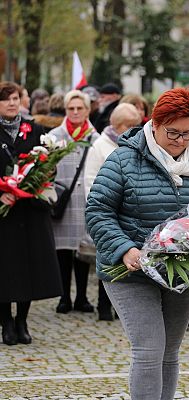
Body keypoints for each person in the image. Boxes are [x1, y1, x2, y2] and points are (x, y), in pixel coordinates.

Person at [86, 88, 189, 399]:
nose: (180, 141)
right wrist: (125, 248)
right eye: (172, 133)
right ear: (154, 124)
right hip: (132, 271)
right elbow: (97, 210)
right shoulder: (124, 159)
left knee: (169, 351)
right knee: (149, 349)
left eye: (187, 133)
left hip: (183, 270)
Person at [0, 81, 62, 345]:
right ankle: (6, 323)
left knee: (28, 268)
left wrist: (38, 182)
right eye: (6, 99)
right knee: (4, 269)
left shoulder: (36, 130)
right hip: (4, 214)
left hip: (31, 211)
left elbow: (49, 167)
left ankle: (22, 321)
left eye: (15, 98)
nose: (12, 103)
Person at [83, 103, 142, 321]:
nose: (133, 128)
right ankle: (104, 305)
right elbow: (90, 180)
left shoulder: (139, 145)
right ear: (116, 125)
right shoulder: (100, 145)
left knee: (130, 258)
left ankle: (125, 306)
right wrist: (104, 208)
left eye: (137, 124)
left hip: (131, 213)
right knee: (109, 256)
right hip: (110, 212)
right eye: (129, 125)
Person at [50, 90, 100, 315]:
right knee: (63, 252)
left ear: (88, 110)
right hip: (64, 201)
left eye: (80, 108)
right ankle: (64, 297)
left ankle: (81, 297)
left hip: (86, 202)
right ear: (66, 110)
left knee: (83, 250)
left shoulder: (96, 138)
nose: (76, 112)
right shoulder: (54, 136)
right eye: (72, 108)